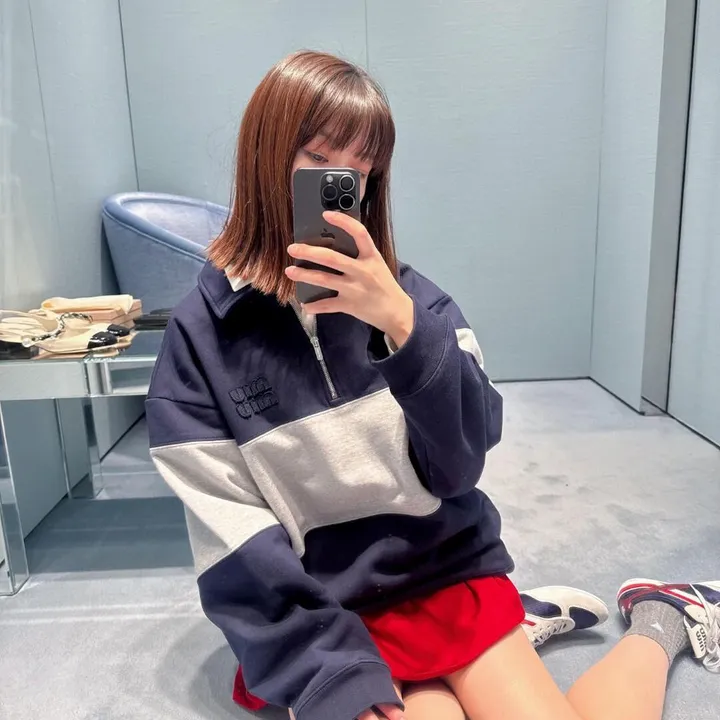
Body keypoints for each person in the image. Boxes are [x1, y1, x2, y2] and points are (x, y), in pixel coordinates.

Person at [146, 50, 720, 720]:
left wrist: (404, 330)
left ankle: (660, 617)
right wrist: (330, 674)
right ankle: (513, 635)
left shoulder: (417, 306)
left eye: (359, 170)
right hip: (324, 610)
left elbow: (459, 469)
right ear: (264, 156)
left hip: (442, 573)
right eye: (318, 158)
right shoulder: (200, 342)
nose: (338, 187)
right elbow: (236, 543)